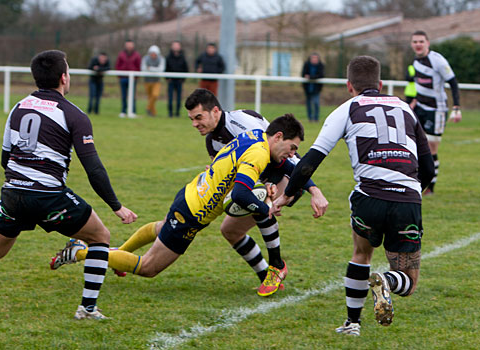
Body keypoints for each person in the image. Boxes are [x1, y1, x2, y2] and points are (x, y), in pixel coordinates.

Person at [0, 50, 138, 320]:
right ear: (64, 77)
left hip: (13, 193)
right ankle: (87, 308)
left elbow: (6, 158)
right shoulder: (73, 114)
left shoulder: (18, 107)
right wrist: (116, 206)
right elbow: (93, 168)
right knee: (100, 237)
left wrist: (22, 185)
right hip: (48, 196)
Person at [271, 56, 434, 336]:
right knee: (408, 280)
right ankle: (387, 280)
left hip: (368, 197)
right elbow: (428, 166)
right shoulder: (405, 108)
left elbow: (310, 159)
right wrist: (413, 192)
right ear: (381, 84)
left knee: (361, 254)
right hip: (407, 199)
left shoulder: (345, 109)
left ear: (349, 86)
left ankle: (352, 324)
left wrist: (288, 195)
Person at [51, 115, 304, 293]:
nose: (292, 153)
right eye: (292, 147)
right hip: (192, 214)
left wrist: (293, 187)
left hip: (190, 194)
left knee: (162, 229)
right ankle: (80, 252)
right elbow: (239, 195)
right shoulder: (259, 153)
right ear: (279, 136)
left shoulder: (256, 135)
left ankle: (117, 254)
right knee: (148, 267)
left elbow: (278, 166)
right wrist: (266, 208)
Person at [184, 88, 328, 296]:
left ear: (215, 111)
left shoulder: (242, 121)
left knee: (258, 201)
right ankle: (267, 277)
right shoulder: (213, 142)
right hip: (263, 179)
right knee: (230, 231)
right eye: (192, 119)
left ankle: (277, 265)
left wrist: (312, 189)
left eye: (199, 117)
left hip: (288, 177)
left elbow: (281, 153)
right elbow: (240, 175)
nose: (195, 124)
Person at [409, 30, 462, 195]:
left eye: (421, 41)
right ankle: (416, 182)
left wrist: (457, 107)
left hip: (436, 110)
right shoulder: (416, 63)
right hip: (420, 109)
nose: (418, 44)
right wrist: (413, 102)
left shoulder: (437, 60)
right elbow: (419, 86)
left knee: (431, 148)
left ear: (427, 43)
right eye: (415, 42)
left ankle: (430, 187)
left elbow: (453, 83)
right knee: (415, 145)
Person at [115, 39, 141, 118]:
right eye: (128, 45)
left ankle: (133, 111)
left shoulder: (137, 55)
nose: (129, 47)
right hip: (123, 78)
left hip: (133, 78)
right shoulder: (121, 54)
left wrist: (136, 76)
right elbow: (118, 65)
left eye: (130, 45)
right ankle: (123, 111)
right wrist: (120, 75)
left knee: (132, 96)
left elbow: (138, 66)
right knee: (123, 95)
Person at [165, 40, 189, 118]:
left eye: (177, 45)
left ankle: (177, 113)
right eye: (174, 45)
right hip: (171, 81)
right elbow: (166, 68)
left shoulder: (182, 57)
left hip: (179, 81)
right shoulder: (168, 57)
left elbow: (186, 69)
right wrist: (167, 78)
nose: (176, 47)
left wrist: (182, 79)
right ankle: (170, 113)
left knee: (179, 98)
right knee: (170, 97)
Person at [141, 45, 165, 117]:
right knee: (150, 97)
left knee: (155, 95)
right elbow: (143, 68)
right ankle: (153, 113)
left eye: (155, 54)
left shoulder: (161, 59)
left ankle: (148, 108)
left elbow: (161, 69)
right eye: (152, 53)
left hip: (156, 81)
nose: (153, 55)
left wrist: (150, 68)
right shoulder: (145, 58)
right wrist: (154, 69)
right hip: (147, 81)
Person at [301, 53, 325, 122]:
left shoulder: (321, 66)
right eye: (313, 58)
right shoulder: (307, 65)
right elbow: (303, 74)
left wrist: (310, 77)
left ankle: (316, 118)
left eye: (315, 58)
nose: (314, 60)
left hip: (316, 88)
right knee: (308, 104)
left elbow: (321, 75)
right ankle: (310, 119)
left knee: (316, 103)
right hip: (308, 88)